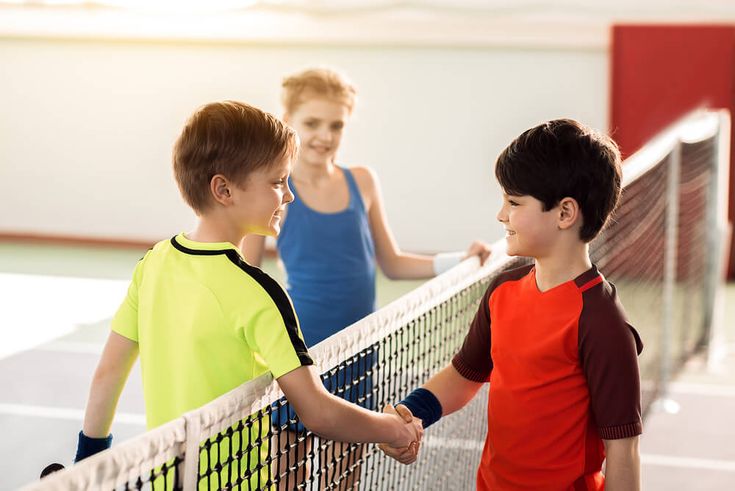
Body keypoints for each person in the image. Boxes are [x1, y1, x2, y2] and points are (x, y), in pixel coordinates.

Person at [73, 101, 422, 487]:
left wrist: (88, 458)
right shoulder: (259, 293)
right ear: (223, 189)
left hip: (166, 479)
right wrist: (394, 430)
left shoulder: (152, 264)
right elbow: (317, 411)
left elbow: (108, 372)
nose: (288, 195)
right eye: (276, 182)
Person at [241, 67, 490, 487]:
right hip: (298, 355)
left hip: (360, 351)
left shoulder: (363, 182)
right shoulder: (276, 189)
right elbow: (247, 275)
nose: (325, 135)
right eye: (312, 123)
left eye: (336, 125)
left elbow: (391, 262)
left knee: (345, 478)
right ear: (289, 123)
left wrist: (459, 262)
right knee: (288, 476)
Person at [380, 119, 644, 491]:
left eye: (514, 202)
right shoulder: (502, 290)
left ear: (565, 213)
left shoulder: (601, 322)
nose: (501, 214)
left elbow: (623, 450)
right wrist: (408, 415)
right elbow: (463, 375)